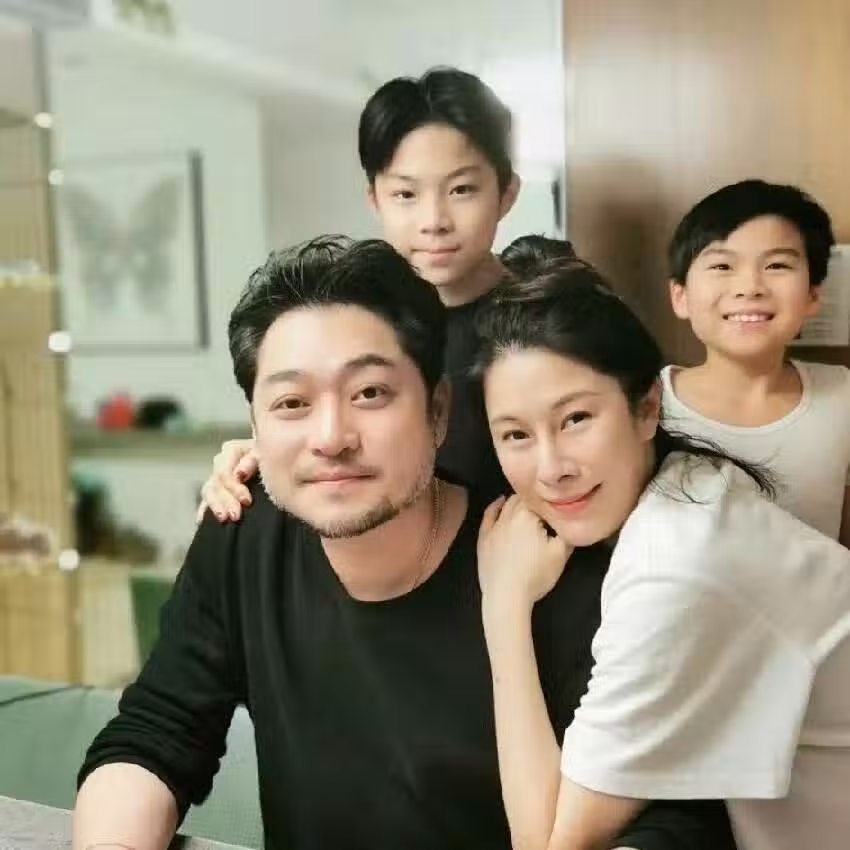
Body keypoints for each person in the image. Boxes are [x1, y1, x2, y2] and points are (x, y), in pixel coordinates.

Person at [73, 238, 734, 850]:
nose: (331, 437)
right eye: (292, 403)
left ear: (438, 412)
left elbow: (676, 820)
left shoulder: (547, 564)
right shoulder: (244, 530)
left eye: (370, 393)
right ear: (254, 425)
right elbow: (157, 731)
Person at [472, 257, 850, 850]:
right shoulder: (689, 485)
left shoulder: (675, 566)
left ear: (647, 408)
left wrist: (502, 606)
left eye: (576, 419)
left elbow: (549, 842)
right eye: (516, 434)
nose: (551, 468)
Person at [197, 68, 576, 516]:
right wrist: (266, 455)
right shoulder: (359, 326)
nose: (434, 221)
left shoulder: (551, 324)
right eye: (405, 195)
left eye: (461, 189)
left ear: (507, 192)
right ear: (375, 199)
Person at [663, 179, 850, 543]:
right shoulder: (646, 407)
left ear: (813, 295)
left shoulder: (842, 395)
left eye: (777, 265)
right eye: (722, 266)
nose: (749, 287)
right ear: (680, 295)